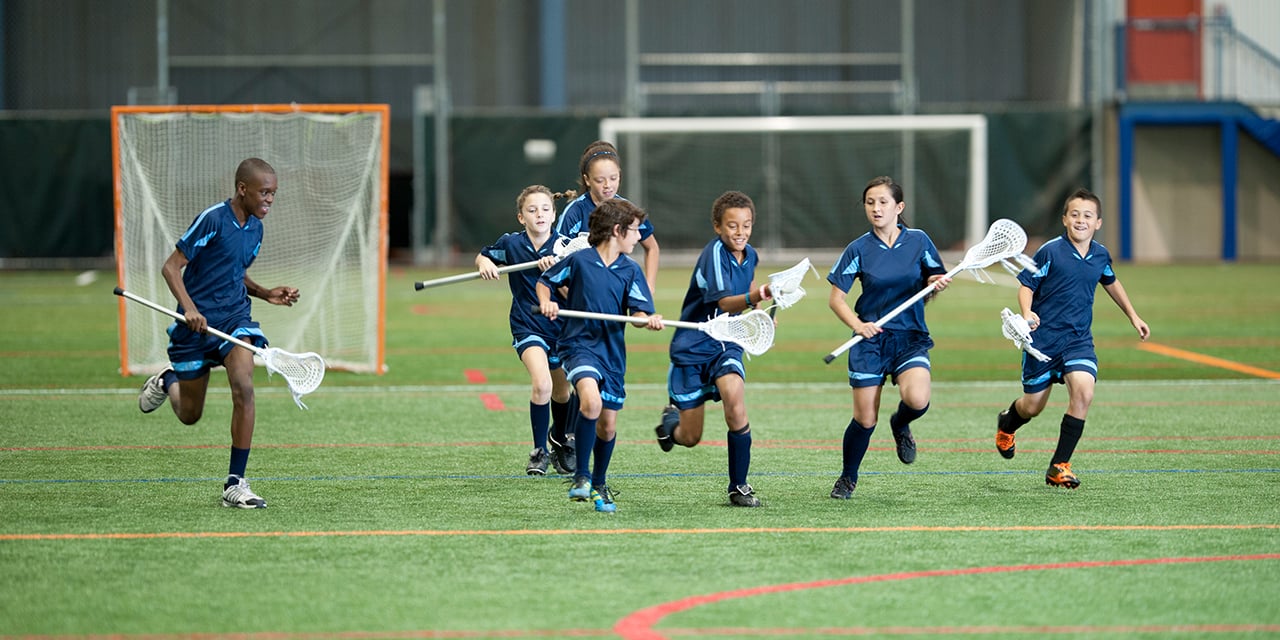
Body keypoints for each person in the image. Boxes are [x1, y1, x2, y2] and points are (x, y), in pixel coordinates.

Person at [136, 157, 299, 509]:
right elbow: (171, 267)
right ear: (243, 189)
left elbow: (234, 272)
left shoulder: (256, 228)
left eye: (274, 194)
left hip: (235, 320)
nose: (269, 200)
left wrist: (265, 292)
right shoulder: (213, 219)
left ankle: (235, 483)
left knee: (244, 387)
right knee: (190, 415)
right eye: (264, 193)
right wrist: (190, 309)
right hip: (194, 327)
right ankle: (168, 381)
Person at [995, 188, 1150, 489]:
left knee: (1084, 393)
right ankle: (1008, 423)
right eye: (1075, 214)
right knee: (1032, 407)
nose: (1081, 220)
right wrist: (1027, 313)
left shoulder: (1100, 255)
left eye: (1087, 215)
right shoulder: (1050, 252)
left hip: (1078, 340)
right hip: (1042, 341)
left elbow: (1111, 281)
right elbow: (1026, 286)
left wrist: (1133, 316)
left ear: (1098, 223)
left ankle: (1059, 465)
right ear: (1065, 218)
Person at [825, 176, 950, 500]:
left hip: (909, 336)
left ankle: (900, 425)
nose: (876, 208)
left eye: (883, 202)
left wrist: (936, 282)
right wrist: (858, 325)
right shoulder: (859, 249)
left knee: (917, 400)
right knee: (865, 418)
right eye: (870, 203)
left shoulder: (919, 241)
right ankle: (848, 478)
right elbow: (836, 298)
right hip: (870, 341)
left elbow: (933, 275)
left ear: (899, 207)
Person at [536, 198, 662, 513]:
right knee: (589, 401)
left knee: (607, 425)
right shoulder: (580, 261)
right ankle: (581, 477)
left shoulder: (630, 271)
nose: (638, 238)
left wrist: (647, 319)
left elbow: (639, 310)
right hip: (578, 345)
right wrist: (548, 302)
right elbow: (545, 282)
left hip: (612, 354)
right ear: (617, 231)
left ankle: (599, 481)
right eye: (634, 231)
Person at [654, 191, 773, 508]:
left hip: (726, 344)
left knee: (735, 402)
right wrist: (758, 293)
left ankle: (739, 486)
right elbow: (724, 301)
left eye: (746, 225)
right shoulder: (713, 255)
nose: (741, 232)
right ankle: (670, 425)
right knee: (690, 438)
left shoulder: (751, 255)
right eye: (732, 226)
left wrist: (764, 296)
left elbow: (744, 292)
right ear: (718, 227)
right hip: (692, 348)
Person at [476, 185, 576, 476]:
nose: (539, 215)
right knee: (542, 385)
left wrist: (555, 275)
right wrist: (485, 265)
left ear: (554, 214)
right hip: (527, 324)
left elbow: (576, 294)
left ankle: (560, 439)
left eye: (545, 209)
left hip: (562, 329)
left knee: (562, 392)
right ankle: (538, 452)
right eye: (532, 210)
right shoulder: (511, 243)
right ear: (521, 217)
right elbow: (485, 256)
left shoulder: (566, 247)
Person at [555, 140, 661, 295]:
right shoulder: (575, 212)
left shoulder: (628, 211)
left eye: (613, 178)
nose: (607, 185)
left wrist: (649, 287)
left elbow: (652, 247)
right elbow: (558, 258)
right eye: (600, 180)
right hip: (582, 295)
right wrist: (573, 297)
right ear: (587, 180)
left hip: (615, 292)